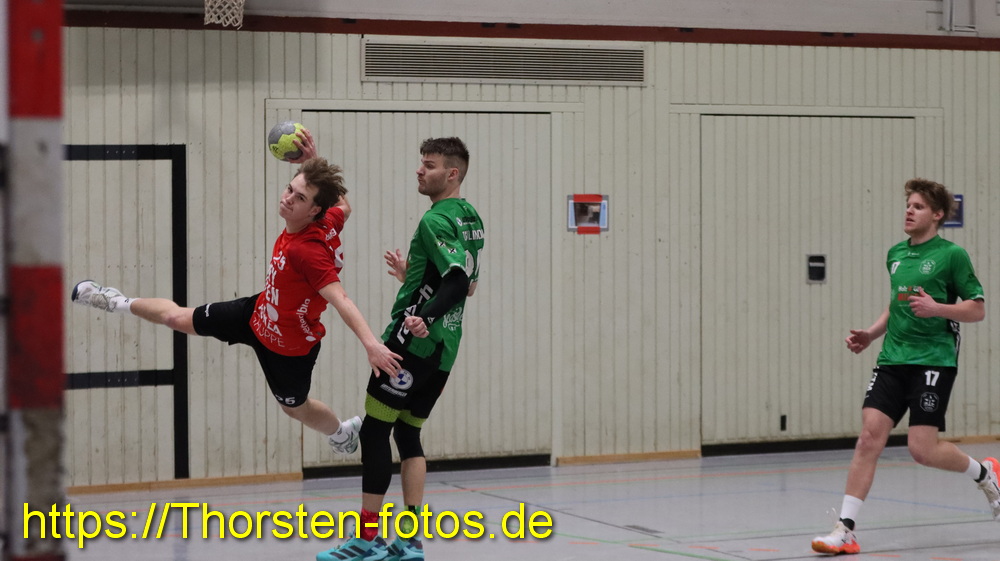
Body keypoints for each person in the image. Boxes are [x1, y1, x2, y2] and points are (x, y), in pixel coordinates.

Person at [71, 129, 401, 455]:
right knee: (177, 318)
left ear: (315, 210)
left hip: (289, 348)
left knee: (295, 408)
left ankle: (342, 432)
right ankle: (114, 300)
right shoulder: (328, 218)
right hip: (257, 313)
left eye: (300, 198)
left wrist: (371, 345)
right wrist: (312, 162)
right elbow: (344, 206)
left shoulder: (308, 252)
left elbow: (341, 299)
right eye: (290, 188)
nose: (288, 198)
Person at [317, 137, 485, 561]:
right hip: (445, 350)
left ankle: (366, 539)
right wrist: (411, 276)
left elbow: (457, 283)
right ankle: (409, 538)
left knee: (374, 431)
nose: (419, 171)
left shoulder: (435, 220)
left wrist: (424, 316)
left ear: (452, 173)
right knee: (408, 434)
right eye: (420, 163)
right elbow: (467, 285)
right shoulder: (470, 218)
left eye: (429, 165)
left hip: (411, 345)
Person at [811, 178, 999, 555]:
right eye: (908, 205)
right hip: (892, 359)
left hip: (934, 360)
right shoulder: (895, 253)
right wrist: (871, 333)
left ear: (937, 214)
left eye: (918, 206)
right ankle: (845, 530)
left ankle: (985, 473)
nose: (909, 211)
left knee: (921, 449)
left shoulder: (952, 255)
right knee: (869, 437)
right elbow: (896, 302)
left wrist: (938, 308)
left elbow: (977, 309)